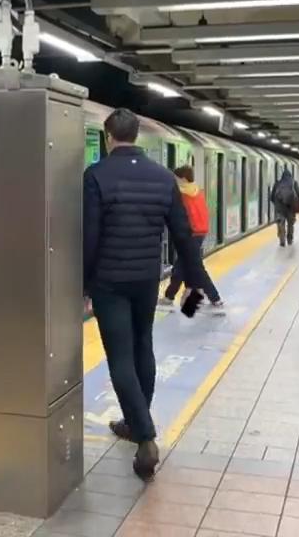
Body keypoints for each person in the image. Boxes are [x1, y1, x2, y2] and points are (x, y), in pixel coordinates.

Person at [83, 108, 210, 480]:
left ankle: (145, 436)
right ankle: (135, 420)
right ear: (136, 135)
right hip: (145, 279)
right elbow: (182, 233)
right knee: (144, 346)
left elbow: (89, 237)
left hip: (109, 281)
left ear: (108, 137)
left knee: (120, 357)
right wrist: (195, 278)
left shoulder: (96, 175)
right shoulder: (162, 178)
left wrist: (84, 284)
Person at [159, 166, 225, 314]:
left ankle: (215, 298)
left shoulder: (183, 193)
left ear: (182, 178)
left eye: (177, 178)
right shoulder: (197, 190)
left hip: (191, 233)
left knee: (196, 268)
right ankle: (169, 297)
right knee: (181, 266)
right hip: (199, 232)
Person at [270, 168, 299, 247]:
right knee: (290, 224)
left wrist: (277, 204)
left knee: (280, 223)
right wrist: (298, 202)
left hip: (280, 208)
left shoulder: (277, 183)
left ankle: (282, 240)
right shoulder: (293, 183)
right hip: (291, 208)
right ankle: (290, 239)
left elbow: (272, 197)